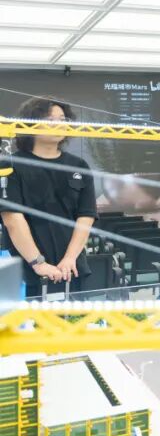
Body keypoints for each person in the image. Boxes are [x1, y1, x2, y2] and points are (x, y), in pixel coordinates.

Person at [0, 97, 97, 296]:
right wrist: (38, 263)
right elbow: (12, 219)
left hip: (71, 268)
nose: (58, 124)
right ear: (30, 124)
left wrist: (70, 258)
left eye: (62, 119)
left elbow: (86, 216)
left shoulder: (79, 166)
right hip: (27, 271)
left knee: (75, 315)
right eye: (50, 119)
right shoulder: (10, 165)